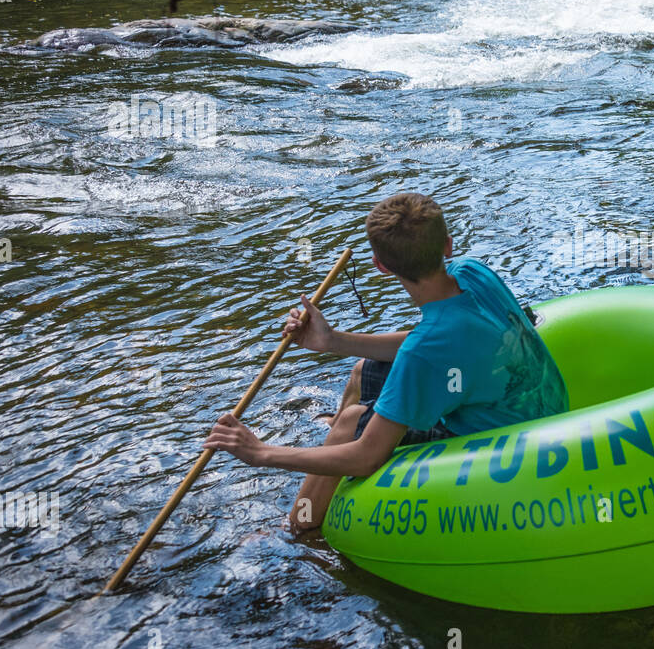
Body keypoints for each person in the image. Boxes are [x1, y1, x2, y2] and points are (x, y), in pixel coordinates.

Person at [204, 192, 570, 534]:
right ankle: (334, 450)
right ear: (447, 245)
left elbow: (369, 456)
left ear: (380, 265)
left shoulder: (425, 349)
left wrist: (260, 452)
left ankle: (300, 528)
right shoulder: (472, 273)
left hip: (508, 441)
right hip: (532, 402)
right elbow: (441, 344)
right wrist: (332, 341)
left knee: (350, 425)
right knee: (364, 370)